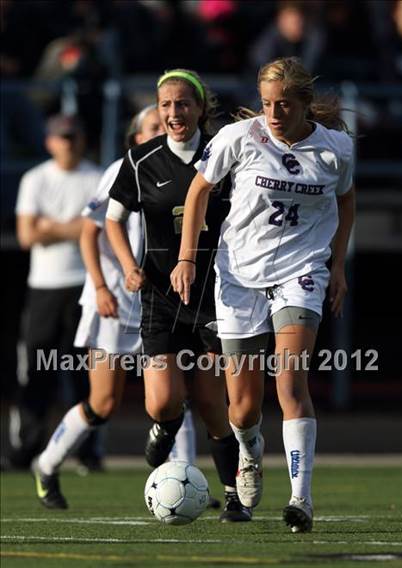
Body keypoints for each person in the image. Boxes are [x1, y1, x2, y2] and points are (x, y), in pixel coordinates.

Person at [170, 57, 355, 533]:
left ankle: (301, 499)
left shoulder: (336, 149)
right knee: (243, 408)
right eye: (267, 103)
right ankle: (250, 454)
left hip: (301, 273)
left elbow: (346, 198)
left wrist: (337, 264)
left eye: (284, 105)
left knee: (290, 383)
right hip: (238, 276)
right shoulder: (239, 137)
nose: (273, 114)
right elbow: (198, 192)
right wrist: (187, 258)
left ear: (304, 105)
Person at [105, 69, 251, 523]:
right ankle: (164, 426)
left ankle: (233, 496)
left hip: (215, 297)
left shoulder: (222, 154)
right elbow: (112, 221)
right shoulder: (140, 160)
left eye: (183, 103)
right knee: (161, 401)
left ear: (201, 107)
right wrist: (130, 267)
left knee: (212, 404)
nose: (174, 112)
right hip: (161, 297)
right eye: (166, 104)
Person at [30, 106, 163, 509]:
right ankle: (47, 464)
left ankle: (182, 477)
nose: (165, 129)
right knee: (103, 403)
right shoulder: (120, 171)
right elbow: (90, 233)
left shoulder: (183, 171)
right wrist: (102, 287)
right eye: (153, 126)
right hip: (116, 304)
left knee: (174, 399)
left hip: (159, 303)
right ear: (136, 138)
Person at [11, 114, 103, 470]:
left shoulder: (96, 177)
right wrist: (76, 228)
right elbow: (27, 235)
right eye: (62, 137)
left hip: (84, 285)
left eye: (73, 135)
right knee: (38, 369)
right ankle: (28, 447)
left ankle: (87, 451)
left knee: (83, 372)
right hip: (44, 287)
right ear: (50, 141)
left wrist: (51, 226)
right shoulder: (34, 179)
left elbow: (97, 228)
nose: (68, 142)